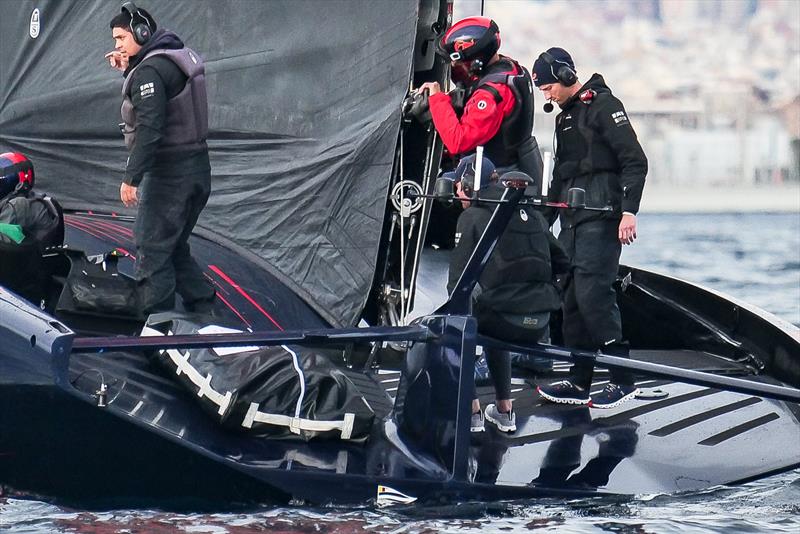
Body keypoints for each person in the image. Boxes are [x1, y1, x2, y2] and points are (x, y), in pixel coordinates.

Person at [531, 47, 647, 409]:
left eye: (549, 86)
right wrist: (541, 223)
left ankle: (623, 378)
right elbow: (561, 176)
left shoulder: (604, 106)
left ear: (566, 76)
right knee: (572, 298)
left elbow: (635, 162)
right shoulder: (564, 119)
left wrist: (629, 212)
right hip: (572, 221)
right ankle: (579, 381)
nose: (546, 94)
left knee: (594, 294)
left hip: (602, 216)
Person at [447, 155, 570, 433]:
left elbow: (457, 285)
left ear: (468, 185)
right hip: (538, 324)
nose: (457, 195)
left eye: (457, 188)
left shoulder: (472, 217)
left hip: (504, 321)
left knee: (456, 324)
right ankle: (505, 410)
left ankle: (472, 412)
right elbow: (563, 263)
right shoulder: (533, 214)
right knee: (496, 324)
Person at [107, 3, 216, 315]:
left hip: (171, 175)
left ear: (143, 33)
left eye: (121, 38)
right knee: (174, 247)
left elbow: (151, 129)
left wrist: (131, 178)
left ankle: (158, 332)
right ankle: (206, 311)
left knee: (152, 251)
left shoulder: (150, 73)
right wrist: (129, 67)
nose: (116, 46)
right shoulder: (172, 56)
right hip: (197, 169)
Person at [418, 16, 543, 184]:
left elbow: (458, 141)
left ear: (477, 60)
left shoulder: (491, 94)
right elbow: (476, 83)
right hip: (512, 167)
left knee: (440, 188)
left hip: (494, 179)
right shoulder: (511, 68)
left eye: (459, 60)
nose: (455, 64)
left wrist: (436, 98)